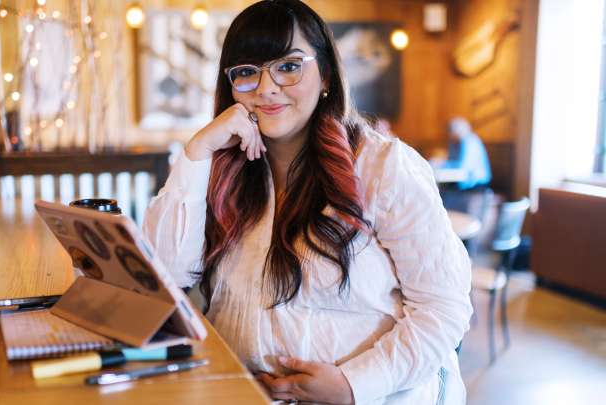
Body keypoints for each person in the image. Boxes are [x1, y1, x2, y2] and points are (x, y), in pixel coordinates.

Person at [143, 1, 472, 404]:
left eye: (289, 66)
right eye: (247, 72)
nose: (266, 87)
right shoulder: (222, 169)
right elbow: (164, 281)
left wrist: (354, 384)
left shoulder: (382, 166)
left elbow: (444, 309)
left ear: (327, 75)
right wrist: (197, 152)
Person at [436, 117, 492, 190]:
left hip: (476, 182)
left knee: (444, 191)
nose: (450, 136)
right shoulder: (454, 142)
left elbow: (464, 167)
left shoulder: (470, 141)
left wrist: (443, 164)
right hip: (462, 180)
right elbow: (452, 160)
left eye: (451, 133)